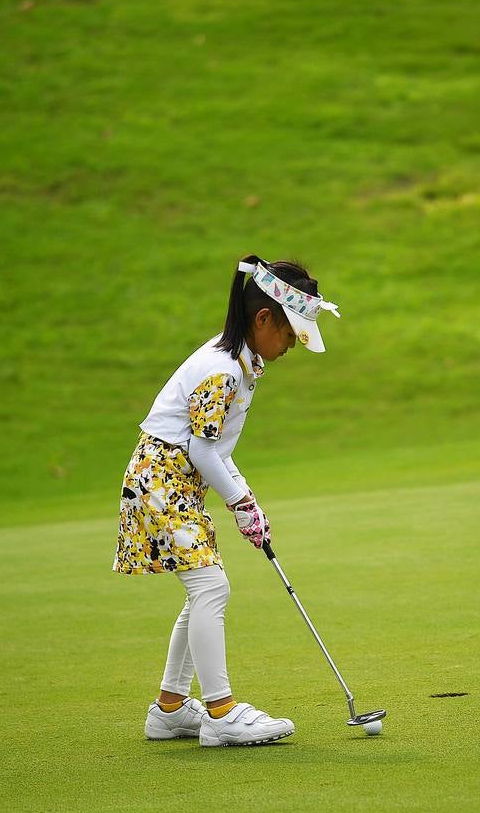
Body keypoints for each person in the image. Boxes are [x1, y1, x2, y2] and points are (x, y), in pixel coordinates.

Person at [113, 255, 340, 747]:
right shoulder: (223, 370)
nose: (291, 347)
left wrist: (247, 500)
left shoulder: (239, 361)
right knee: (212, 588)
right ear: (263, 320)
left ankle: (170, 709)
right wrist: (238, 502)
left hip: (173, 480)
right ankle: (220, 713)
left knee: (204, 590)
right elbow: (198, 448)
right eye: (289, 335)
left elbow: (215, 450)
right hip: (162, 480)